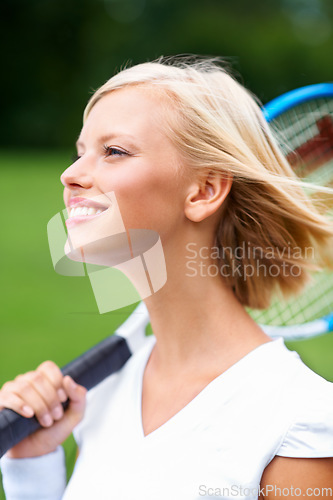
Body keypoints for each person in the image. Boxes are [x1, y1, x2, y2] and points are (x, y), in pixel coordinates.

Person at [1, 56, 333, 500]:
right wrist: (32, 467)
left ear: (203, 191)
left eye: (113, 151)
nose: (71, 174)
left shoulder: (298, 422)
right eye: (81, 152)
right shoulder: (107, 392)